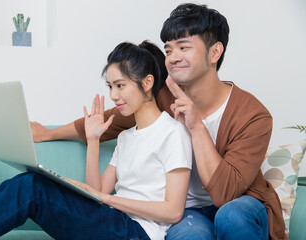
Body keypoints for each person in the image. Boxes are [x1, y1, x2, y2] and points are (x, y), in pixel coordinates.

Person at [31, 3, 286, 240]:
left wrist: (196, 126)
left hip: (240, 204)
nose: (173, 57)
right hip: (189, 211)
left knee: (231, 216)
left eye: (183, 47)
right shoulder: (163, 95)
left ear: (215, 52)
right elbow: (112, 119)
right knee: (190, 234)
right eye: (168, 49)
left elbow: (225, 196)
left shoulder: (253, 116)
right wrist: (47, 134)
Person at [0, 41, 193, 240]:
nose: (113, 95)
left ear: (147, 83)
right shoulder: (127, 137)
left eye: (120, 85)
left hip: (136, 232)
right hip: (111, 221)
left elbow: (173, 211)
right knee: (29, 182)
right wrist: (93, 140)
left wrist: (108, 200)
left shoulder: (173, 133)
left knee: (31, 189)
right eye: (110, 86)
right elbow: (97, 192)